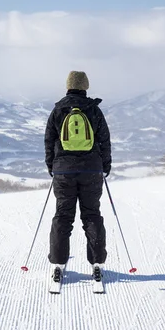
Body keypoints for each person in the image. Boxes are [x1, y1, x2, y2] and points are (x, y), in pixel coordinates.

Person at [44, 70, 112, 281]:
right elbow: (104, 140)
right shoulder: (93, 110)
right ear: (86, 87)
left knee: (63, 216)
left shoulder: (58, 110)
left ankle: (57, 262)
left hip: (63, 171)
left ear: (67, 86)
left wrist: (52, 166)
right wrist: (105, 165)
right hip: (91, 170)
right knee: (91, 214)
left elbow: (49, 140)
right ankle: (97, 262)